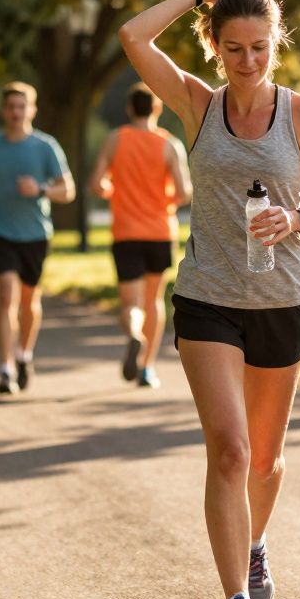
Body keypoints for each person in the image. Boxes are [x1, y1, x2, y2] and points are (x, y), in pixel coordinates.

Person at [119, 0, 300, 599]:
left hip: (283, 298)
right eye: (233, 49)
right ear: (215, 48)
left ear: (275, 43)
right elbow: (132, 35)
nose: (247, 62)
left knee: (267, 458)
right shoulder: (196, 105)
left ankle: (255, 545)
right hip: (207, 297)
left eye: (258, 48)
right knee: (231, 450)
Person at [0, 82, 75, 396]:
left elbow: (67, 191)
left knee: (30, 301)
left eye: (21, 106)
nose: (16, 112)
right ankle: (4, 369)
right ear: (4, 111)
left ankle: (24, 355)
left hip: (35, 234)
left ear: (32, 110)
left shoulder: (46, 147)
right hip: (1, 230)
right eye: (11, 107)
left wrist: (41, 190)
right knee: (6, 294)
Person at [89, 83, 191, 388]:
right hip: (160, 232)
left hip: (126, 233)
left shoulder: (115, 140)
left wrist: (111, 191)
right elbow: (185, 192)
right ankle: (147, 366)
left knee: (130, 304)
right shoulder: (170, 144)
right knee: (154, 301)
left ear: (130, 109)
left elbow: (97, 184)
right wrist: (163, 201)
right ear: (157, 109)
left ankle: (133, 333)